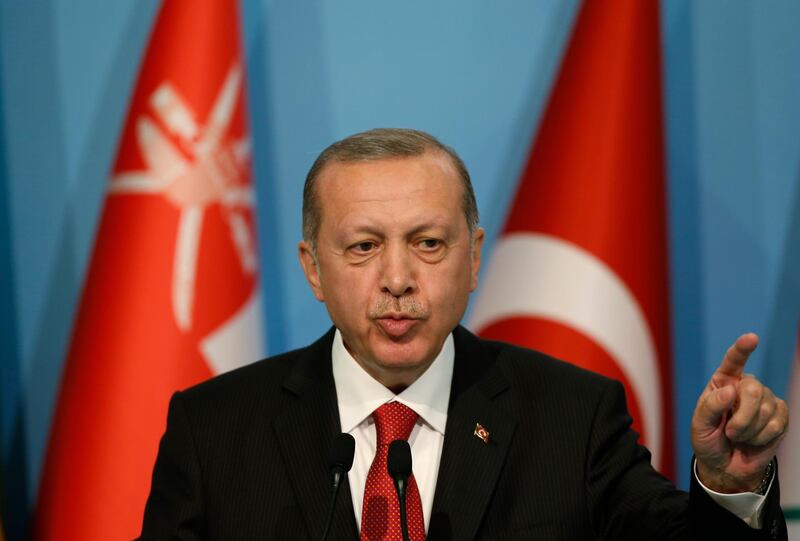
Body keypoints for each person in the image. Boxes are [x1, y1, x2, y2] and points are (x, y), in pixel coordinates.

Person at [140, 128, 789, 540]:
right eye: (364, 246)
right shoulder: (214, 431)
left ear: (474, 257)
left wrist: (728, 484)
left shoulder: (572, 416)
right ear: (313, 267)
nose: (398, 279)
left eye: (428, 243)